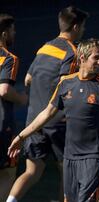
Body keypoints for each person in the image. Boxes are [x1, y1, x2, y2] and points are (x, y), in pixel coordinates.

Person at [8, 38, 99, 202]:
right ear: (82, 58)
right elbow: (46, 113)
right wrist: (22, 137)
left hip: (94, 158)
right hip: (70, 158)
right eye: (96, 57)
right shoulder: (65, 84)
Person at [6, 6, 89, 202]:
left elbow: (27, 79)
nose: (83, 30)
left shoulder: (45, 48)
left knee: (32, 171)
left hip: (34, 121)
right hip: (58, 122)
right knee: (66, 173)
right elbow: (66, 85)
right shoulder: (72, 51)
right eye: (83, 26)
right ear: (76, 27)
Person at [0, 13, 28, 202]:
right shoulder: (9, 58)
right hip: (2, 124)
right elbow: (4, 90)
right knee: (8, 171)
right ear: (4, 34)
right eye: (12, 30)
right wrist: (21, 99)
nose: (14, 33)